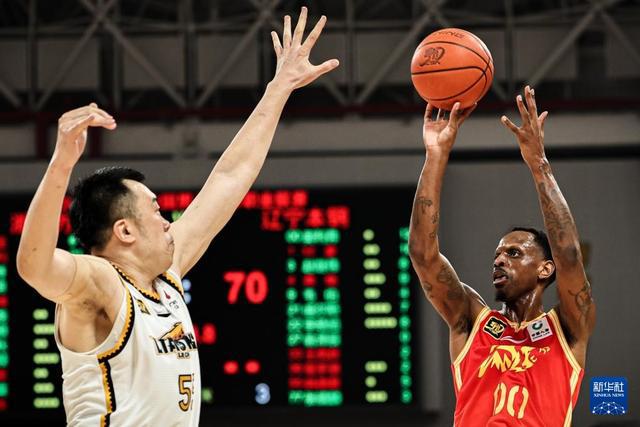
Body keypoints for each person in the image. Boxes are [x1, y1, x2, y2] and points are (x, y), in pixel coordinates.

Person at [16, 7, 338, 426]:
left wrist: (280, 88)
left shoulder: (165, 278)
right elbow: (34, 264)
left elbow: (229, 177)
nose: (168, 221)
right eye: (156, 210)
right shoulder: (101, 283)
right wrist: (61, 165)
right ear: (124, 230)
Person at [408, 86, 595, 426]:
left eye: (513, 253)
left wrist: (539, 165)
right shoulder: (471, 319)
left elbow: (568, 254)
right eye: (497, 255)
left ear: (545, 269)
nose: (498, 260)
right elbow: (422, 254)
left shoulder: (567, 327)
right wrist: (435, 155)